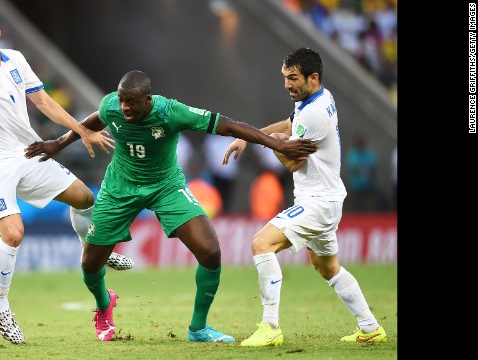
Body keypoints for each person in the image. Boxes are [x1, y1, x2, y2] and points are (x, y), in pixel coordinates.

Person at [24, 70, 317, 342]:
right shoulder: (112, 105)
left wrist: (276, 144)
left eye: (132, 103)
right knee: (90, 264)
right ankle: (104, 304)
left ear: (148, 100)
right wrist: (58, 143)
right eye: (122, 101)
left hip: (166, 186)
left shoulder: (171, 112)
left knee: (211, 251)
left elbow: (227, 125)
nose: (124, 108)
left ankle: (199, 328)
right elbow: (94, 120)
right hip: (119, 188)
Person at [0, 11, 134, 345]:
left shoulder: (16, 60)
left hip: (26, 153)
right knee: (13, 233)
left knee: (85, 198)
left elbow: (43, 101)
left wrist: (81, 129)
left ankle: (90, 246)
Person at [222, 47, 387, 346]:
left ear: (313, 77)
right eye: (285, 77)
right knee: (328, 268)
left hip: (317, 203)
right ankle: (370, 327)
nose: (287, 84)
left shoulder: (313, 114)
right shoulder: (316, 98)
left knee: (261, 243)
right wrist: (253, 136)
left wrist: (276, 145)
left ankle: (270, 327)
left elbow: (292, 162)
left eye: (292, 78)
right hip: (327, 199)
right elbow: (289, 125)